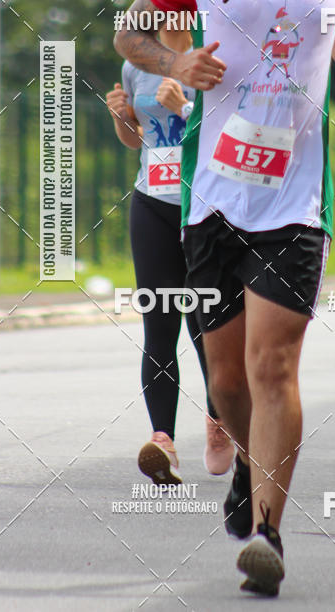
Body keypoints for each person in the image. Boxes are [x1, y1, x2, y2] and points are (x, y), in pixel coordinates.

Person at [113, 0, 335, 597]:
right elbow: (128, 32)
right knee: (230, 380)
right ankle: (245, 459)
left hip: (297, 199)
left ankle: (269, 530)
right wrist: (177, 63)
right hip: (211, 195)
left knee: (275, 365)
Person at [105, 25, 235, 485]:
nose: (163, 16)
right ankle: (162, 442)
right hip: (151, 202)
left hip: (205, 207)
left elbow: (234, 135)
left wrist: (184, 106)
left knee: (206, 322)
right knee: (159, 324)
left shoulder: (213, 59)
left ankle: (220, 422)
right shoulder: (136, 63)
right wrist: (122, 118)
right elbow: (137, 140)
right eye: (155, 9)